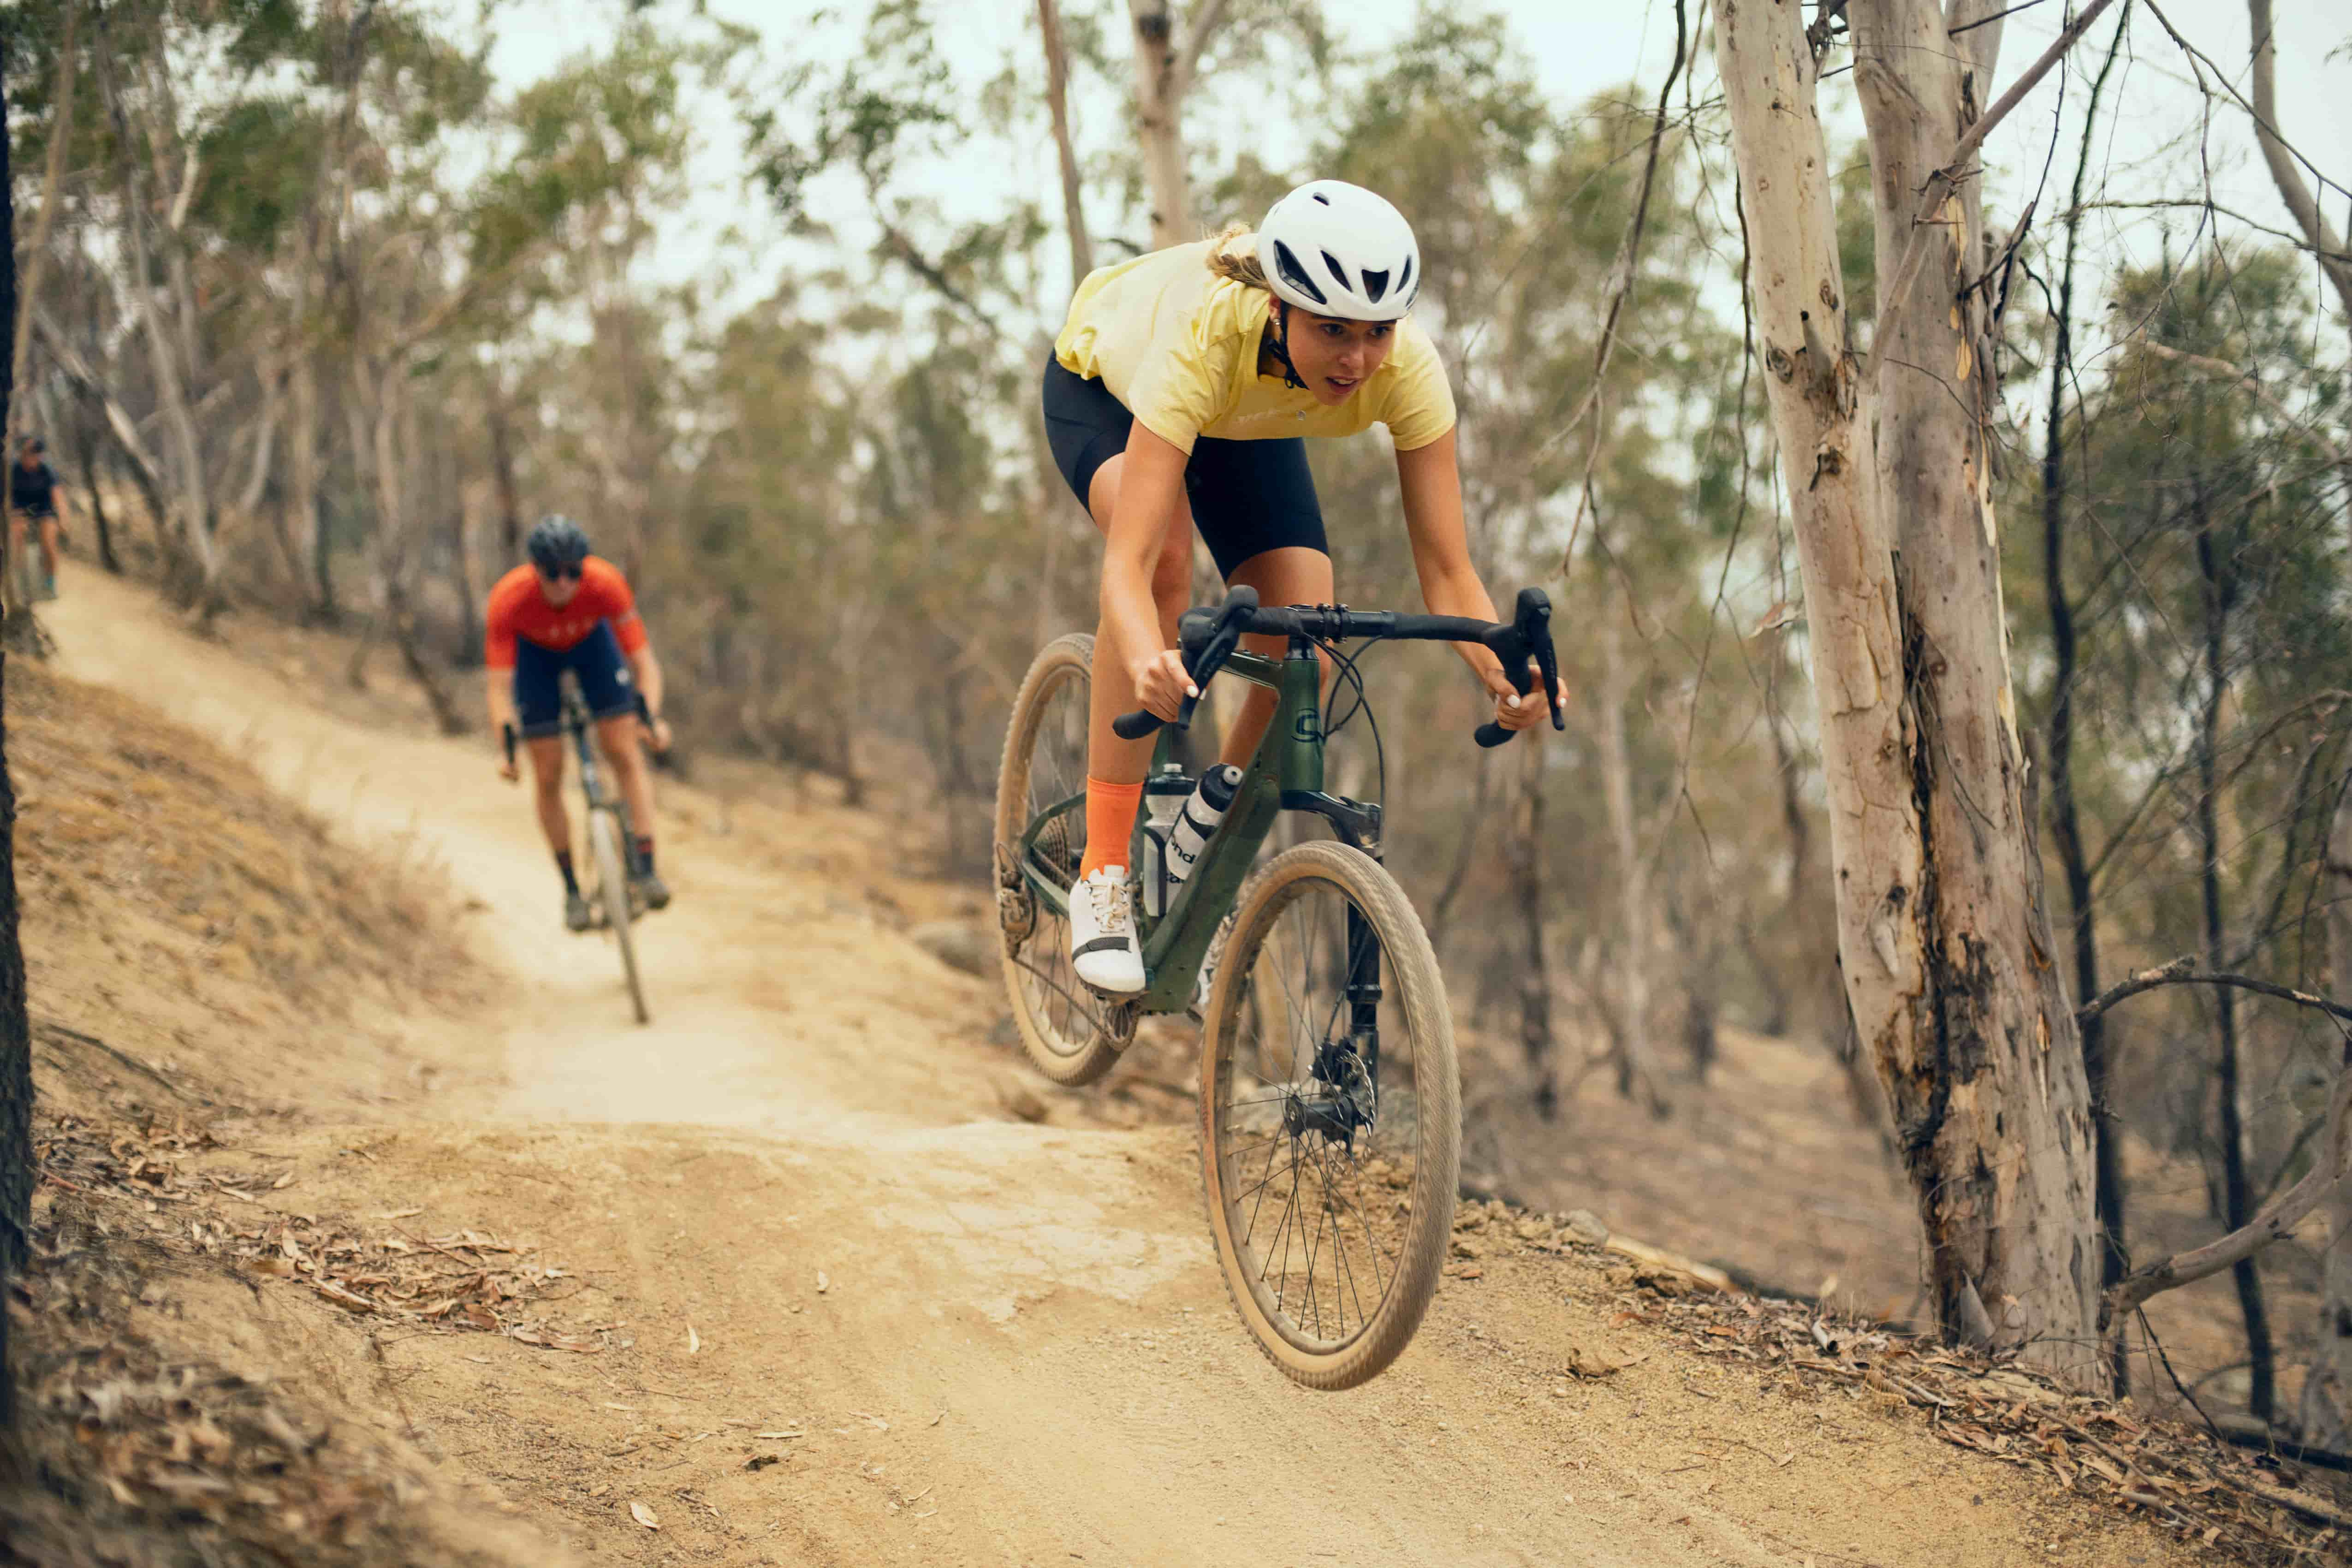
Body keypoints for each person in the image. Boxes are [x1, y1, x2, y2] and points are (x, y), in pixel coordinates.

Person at [1042, 179, 1568, 993]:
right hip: (1111, 391)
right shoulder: (1204, 340)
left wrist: (1504, 671)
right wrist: (1148, 652)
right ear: (1281, 310)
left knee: (1309, 644)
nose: (1358, 360)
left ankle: (1203, 835)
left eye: (1377, 333)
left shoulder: (1405, 372)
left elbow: (1449, 569)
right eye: (1333, 331)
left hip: (1249, 417)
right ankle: (1105, 869)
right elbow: (1132, 568)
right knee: (1170, 566)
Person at [484, 515, 675, 930]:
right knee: (548, 773)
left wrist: (652, 718)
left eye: (574, 571)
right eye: (553, 573)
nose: (565, 582)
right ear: (535, 570)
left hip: (592, 646)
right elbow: (499, 688)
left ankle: (646, 866)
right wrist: (506, 750)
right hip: (536, 658)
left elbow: (645, 663)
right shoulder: (509, 599)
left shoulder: (605, 584)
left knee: (624, 750)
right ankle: (571, 889)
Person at [9, 437, 71, 602]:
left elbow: (58, 496)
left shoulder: (47, 470)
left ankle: (51, 583)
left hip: (44, 508)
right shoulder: (13, 470)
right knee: (17, 535)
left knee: (49, 542)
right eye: (30, 453)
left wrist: (63, 520)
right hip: (20, 508)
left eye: (37, 453)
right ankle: (21, 580)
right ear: (22, 454)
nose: (34, 457)